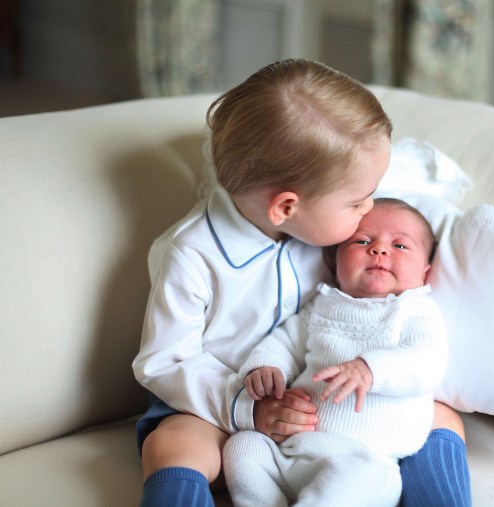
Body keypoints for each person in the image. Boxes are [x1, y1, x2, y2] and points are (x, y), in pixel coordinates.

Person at [132, 58, 471, 507]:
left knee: (442, 416)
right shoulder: (191, 255)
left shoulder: (327, 223)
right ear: (286, 207)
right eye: (357, 202)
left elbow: (388, 195)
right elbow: (162, 362)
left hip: (331, 404)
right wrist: (248, 408)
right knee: (172, 442)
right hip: (221, 404)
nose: (368, 209)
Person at [223, 198, 447, 506]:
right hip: (293, 449)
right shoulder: (323, 305)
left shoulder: (416, 310)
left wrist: (371, 369)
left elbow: (428, 362)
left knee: (365, 478)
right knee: (243, 447)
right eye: (363, 241)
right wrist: (265, 367)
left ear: (424, 272)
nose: (379, 250)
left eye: (400, 246)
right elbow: (285, 341)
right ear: (335, 260)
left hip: (366, 458)